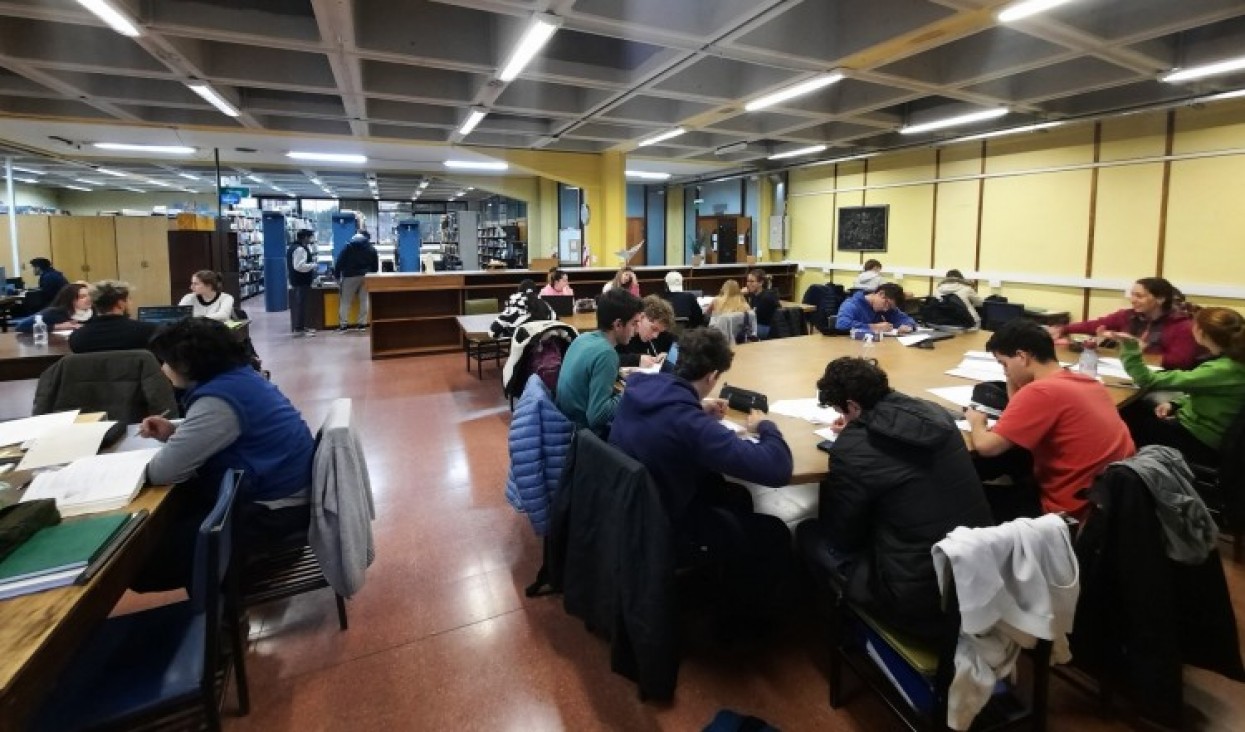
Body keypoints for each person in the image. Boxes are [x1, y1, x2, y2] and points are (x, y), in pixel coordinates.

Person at [797, 357, 993, 641]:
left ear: (852, 406)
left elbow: (844, 538)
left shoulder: (851, 449)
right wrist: (860, 427)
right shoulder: (934, 413)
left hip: (918, 600)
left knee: (808, 533)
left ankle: (843, 633)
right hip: (978, 574)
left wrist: (853, 440)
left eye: (842, 410)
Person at [609, 327, 794, 624]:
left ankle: (725, 579)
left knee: (735, 495)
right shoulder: (690, 424)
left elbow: (672, 419)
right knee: (774, 531)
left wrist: (695, 405)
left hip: (631, 506)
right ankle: (745, 624)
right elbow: (777, 469)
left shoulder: (638, 387)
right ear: (711, 376)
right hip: (662, 524)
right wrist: (765, 427)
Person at [134, 318, 314, 590]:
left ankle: (217, 611)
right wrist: (175, 431)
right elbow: (231, 429)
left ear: (186, 363)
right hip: (285, 487)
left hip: (273, 508)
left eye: (166, 361)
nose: (163, 368)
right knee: (173, 521)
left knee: (148, 564)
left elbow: (162, 472)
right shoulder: (241, 378)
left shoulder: (218, 400)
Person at [965, 319, 1134, 520]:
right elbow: (1017, 414)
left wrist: (976, 421)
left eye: (1004, 364)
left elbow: (987, 447)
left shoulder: (1041, 392)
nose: (1005, 371)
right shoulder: (1085, 381)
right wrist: (1013, 374)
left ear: (1022, 356)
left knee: (964, 498)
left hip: (1069, 513)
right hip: (1109, 502)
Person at [1118, 306, 1245, 466]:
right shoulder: (1234, 362)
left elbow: (1147, 379)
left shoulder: (1221, 370)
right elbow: (1209, 391)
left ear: (1201, 333)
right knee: (1140, 408)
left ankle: (1125, 474)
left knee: (1128, 417)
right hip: (1214, 433)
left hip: (1201, 439)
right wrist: (1176, 403)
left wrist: (1130, 349)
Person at [1051, 277, 1198, 370]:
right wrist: (1064, 329)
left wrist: (1141, 348)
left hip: (1163, 380)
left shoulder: (1182, 326)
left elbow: (1181, 362)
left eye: (1139, 296)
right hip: (1127, 371)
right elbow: (1095, 325)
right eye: (1132, 295)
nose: (1133, 300)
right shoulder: (1128, 316)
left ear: (1160, 299)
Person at [555, 287, 643, 434]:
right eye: (634, 323)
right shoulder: (607, 354)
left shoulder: (582, 338)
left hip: (564, 422)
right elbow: (597, 416)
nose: (637, 329)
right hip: (581, 434)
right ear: (618, 325)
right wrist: (629, 390)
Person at [68, 280, 158, 353]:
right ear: (120, 304)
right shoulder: (149, 332)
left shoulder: (78, 338)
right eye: (128, 299)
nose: (130, 303)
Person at [334, 232, 379, 332]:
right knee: (364, 300)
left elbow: (339, 261)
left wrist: (337, 275)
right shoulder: (371, 248)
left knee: (345, 301)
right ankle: (362, 324)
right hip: (366, 276)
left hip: (349, 276)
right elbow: (375, 266)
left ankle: (343, 325)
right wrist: (371, 275)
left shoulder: (348, 246)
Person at [616, 295, 675, 368]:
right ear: (641, 317)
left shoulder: (663, 335)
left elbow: (681, 347)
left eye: (660, 331)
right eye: (653, 329)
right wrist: (637, 360)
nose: (655, 336)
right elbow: (609, 359)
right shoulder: (623, 333)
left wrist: (668, 356)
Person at [834, 282, 916, 334]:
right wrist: (873, 327)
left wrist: (907, 326)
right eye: (887, 304)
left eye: (890, 307)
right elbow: (841, 325)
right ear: (881, 294)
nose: (885, 309)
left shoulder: (887, 307)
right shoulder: (851, 305)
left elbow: (905, 319)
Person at [15, 282, 91, 334]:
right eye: (82, 297)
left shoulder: (95, 312)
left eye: (89, 295)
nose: (89, 299)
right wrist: (56, 326)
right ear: (70, 299)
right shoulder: (54, 312)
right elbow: (21, 326)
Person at [490, 279, 555, 339]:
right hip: (545, 346)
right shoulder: (546, 306)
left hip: (521, 349)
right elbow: (558, 327)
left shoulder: (515, 304)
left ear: (519, 291)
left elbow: (493, 331)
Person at [288, 228, 318, 337]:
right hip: (300, 281)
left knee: (301, 304)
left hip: (298, 281)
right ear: (305, 237)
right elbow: (299, 266)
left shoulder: (293, 247)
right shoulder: (300, 249)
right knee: (300, 305)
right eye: (310, 237)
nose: (311, 239)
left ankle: (301, 327)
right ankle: (299, 329)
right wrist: (313, 265)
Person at [744, 268, 781, 338]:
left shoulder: (767, 297)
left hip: (769, 329)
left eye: (752, 281)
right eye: (748, 281)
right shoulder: (753, 295)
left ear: (761, 282)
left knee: (743, 329)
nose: (748, 284)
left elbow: (753, 317)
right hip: (759, 325)